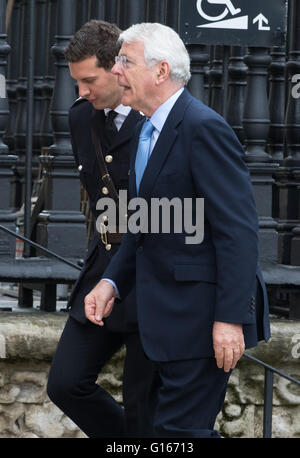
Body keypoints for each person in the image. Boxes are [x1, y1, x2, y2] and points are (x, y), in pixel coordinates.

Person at [84, 22, 271, 438]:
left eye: (125, 61)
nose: (116, 71)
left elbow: (238, 231)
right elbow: (145, 223)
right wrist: (112, 282)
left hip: (201, 321)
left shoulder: (204, 128)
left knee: (178, 435)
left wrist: (229, 319)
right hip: (161, 322)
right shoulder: (147, 129)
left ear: (161, 71)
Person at [47, 20, 154, 438]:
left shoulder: (156, 119)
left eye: (89, 80)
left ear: (117, 68)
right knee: (66, 383)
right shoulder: (80, 118)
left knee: (145, 403)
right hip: (104, 269)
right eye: (76, 82)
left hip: (151, 274)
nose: (82, 92)